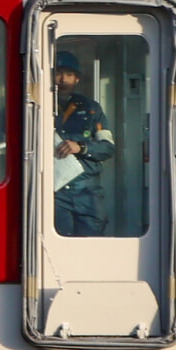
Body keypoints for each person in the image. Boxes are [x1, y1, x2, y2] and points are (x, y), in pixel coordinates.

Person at [54, 50, 114, 236]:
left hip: (87, 193)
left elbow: (107, 148)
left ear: (77, 79)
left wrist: (81, 147)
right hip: (55, 193)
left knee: (91, 245)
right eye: (58, 73)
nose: (63, 79)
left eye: (69, 74)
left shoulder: (91, 108)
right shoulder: (38, 107)